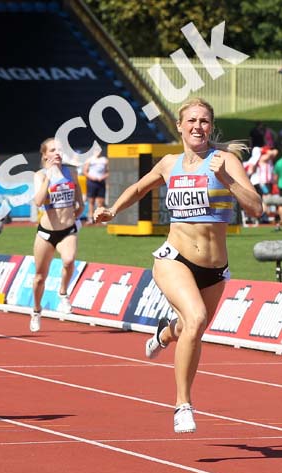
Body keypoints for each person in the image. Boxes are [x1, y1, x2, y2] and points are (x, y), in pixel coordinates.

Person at [94, 98, 261, 434]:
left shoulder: (225, 160)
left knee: (189, 328)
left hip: (215, 268)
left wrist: (227, 181)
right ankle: (182, 404)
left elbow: (255, 206)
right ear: (180, 127)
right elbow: (140, 187)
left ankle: (166, 332)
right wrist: (113, 209)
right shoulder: (169, 164)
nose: (198, 126)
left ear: (210, 127)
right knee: (196, 318)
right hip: (174, 259)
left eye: (204, 121)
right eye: (192, 121)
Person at [30, 138, 84, 333]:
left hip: (67, 230)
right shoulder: (40, 175)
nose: (57, 153)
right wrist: (48, 176)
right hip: (46, 233)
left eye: (60, 149)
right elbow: (38, 201)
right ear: (45, 155)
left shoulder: (72, 172)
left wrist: (76, 214)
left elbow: (80, 201)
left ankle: (63, 293)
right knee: (39, 277)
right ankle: (36, 310)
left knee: (69, 261)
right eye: (53, 150)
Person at [82, 147, 109, 223]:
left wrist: (103, 177)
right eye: (96, 150)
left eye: (99, 150)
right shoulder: (90, 160)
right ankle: (90, 218)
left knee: (101, 201)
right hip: (92, 182)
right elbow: (85, 171)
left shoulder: (104, 160)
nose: (97, 152)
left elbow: (108, 171)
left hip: (101, 182)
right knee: (91, 201)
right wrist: (92, 177)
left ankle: (101, 218)